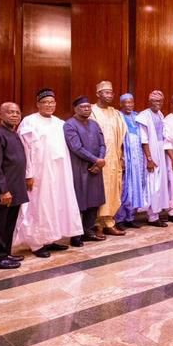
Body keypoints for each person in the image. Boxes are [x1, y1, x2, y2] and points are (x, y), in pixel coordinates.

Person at [15, 88, 84, 257]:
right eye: (45, 102)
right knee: (39, 206)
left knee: (55, 205)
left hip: (59, 172)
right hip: (39, 173)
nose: (49, 105)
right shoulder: (29, 122)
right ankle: (36, 243)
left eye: (52, 102)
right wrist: (28, 174)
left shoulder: (60, 123)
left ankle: (50, 238)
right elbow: (25, 150)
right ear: (38, 104)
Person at [0, 102, 27, 270]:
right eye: (10, 112)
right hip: (4, 189)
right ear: (0, 115)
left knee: (9, 223)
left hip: (16, 187)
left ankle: (6, 253)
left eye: (17, 112)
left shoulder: (13, 133)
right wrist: (3, 190)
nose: (15, 115)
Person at [64, 96, 107, 241]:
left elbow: (102, 144)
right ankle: (76, 235)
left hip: (96, 168)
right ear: (75, 109)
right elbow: (76, 147)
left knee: (94, 201)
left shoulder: (94, 124)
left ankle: (88, 231)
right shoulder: (69, 125)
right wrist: (96, 160)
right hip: (79, 168)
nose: (87, 109)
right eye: (83, 107)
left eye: (88, 107)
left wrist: (100, 161)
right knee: (79, 201)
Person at [89, 80, 126, 237]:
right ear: (98, 94)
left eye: (111, 92)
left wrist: (121, 156)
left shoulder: (115, 113)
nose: (110, 95)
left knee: (114, 191)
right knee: (100, 191)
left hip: (114, 158)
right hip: (99, 159)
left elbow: (122, 136)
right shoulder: (91, 111)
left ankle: (109, 223)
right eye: (106, 92)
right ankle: (96, 225)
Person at [137, 90, 172, 227]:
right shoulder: (143, 116)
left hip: (160, 150)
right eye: (155, 101)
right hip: (151, 152)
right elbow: (144, 140)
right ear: (150, 101)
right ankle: (152, 216)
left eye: (160, 101)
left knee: (160, 183)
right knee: (153, 184)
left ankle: (156, 213)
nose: (158, 103)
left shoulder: (160, 114)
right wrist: (149, 159)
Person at [115, 94, 149, 227]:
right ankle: (119, 219)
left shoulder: (137, 117)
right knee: (125, 188)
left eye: (131, 102)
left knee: (137, 185)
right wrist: (121, 157)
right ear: (121, 104)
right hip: (126, 157)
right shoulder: (118, 117)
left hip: (138, 158)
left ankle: (130, 218)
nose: (129, 105)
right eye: (126, 102)